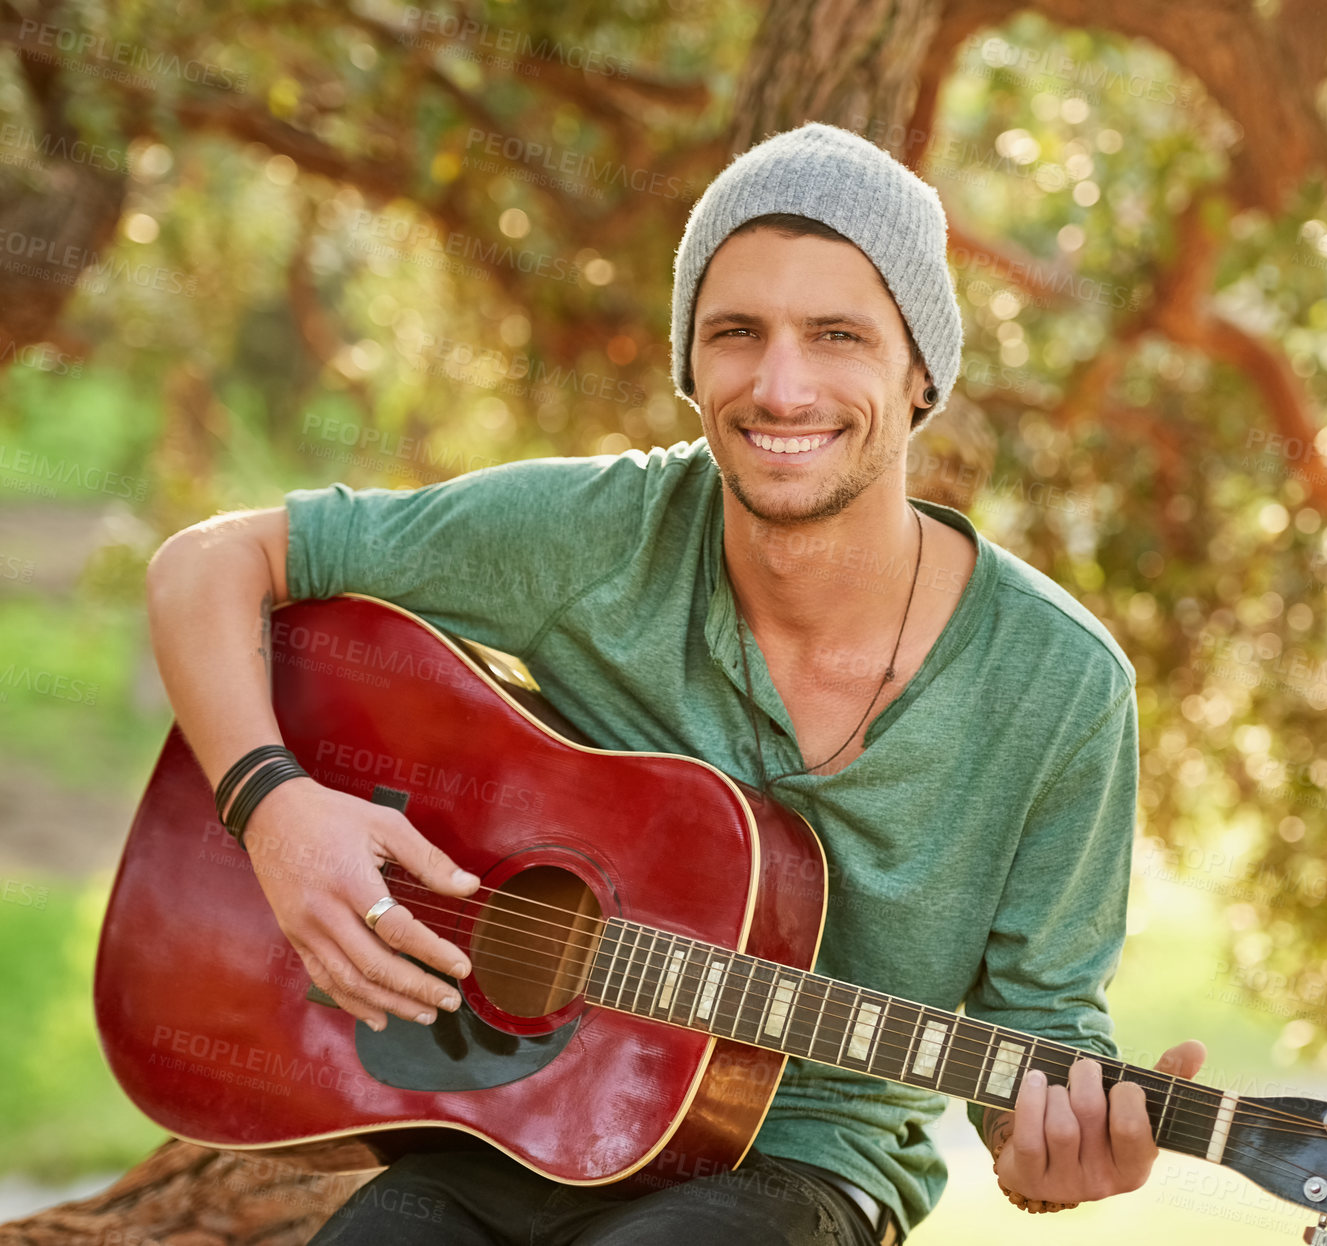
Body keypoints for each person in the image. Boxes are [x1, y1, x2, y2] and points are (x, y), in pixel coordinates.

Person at [145, 121, 1205, 1246]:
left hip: (800, 1167)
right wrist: (272, 805)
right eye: (735, 332)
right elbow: (209, 563)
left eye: (837, 334)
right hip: (508, 1119)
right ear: (689, 365)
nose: (780, 385)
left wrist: (1055, 1156)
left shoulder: (1056, 684)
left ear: (920, 370)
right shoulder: (597, 536)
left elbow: (1039, 1039)